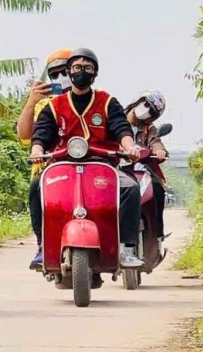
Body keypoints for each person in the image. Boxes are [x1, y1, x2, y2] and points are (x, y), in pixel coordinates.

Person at [28, 47, 144, 271]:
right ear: (69, 71)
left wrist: (130, 147)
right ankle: (43, 245)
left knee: (130, 187)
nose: (82, 72)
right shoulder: (54, 106)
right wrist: (36, 150)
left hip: (102, 164)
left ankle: (127, 248)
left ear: (95, 73)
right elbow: (41, 133)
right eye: (77, 67)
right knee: (36, 187)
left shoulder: (107, 102)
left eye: (88, 68)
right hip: (63, 165)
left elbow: (121, 128)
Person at [16, 48, 73, 268]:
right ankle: (43, 244)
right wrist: (31, 102)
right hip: (51, 167)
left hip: (87, 163)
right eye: (54, 74)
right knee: (35, 190)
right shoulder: (45, 104)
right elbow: (25, 135)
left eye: (65, 71)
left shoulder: (95, 99)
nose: (61, 77)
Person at [125, 90, 171, 239]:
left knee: (157, 188)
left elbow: (155, 141)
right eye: (145, 105)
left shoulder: (149, 129)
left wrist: (159, 151)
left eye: (151, 111)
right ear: (137, 101)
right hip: (114, 168)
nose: (146, 110)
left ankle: (157, 234)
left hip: (138, 171)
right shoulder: (116, 119)